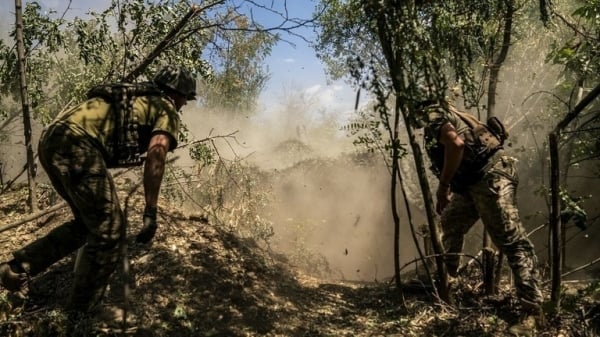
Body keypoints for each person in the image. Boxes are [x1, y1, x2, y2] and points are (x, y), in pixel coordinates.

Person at [0, 65, 196, 314]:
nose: (184, 105)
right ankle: (78, 316)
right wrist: (150, 210)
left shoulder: (139, 98)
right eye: (185, 100)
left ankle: (16, 269)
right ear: (177, 94)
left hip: (52, 140)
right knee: (110, 230)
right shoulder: (165, 108)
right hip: (77, 145)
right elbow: (157, 154)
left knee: (88, 224)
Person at [416, 99, 544, 315]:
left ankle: (533, 309)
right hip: (474, 181)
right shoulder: (450, 112)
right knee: (451, 222)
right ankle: (446, 282)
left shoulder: (435, 114)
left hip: (490, 176)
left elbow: (455, 144)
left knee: (510, 239)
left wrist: (444, 186)